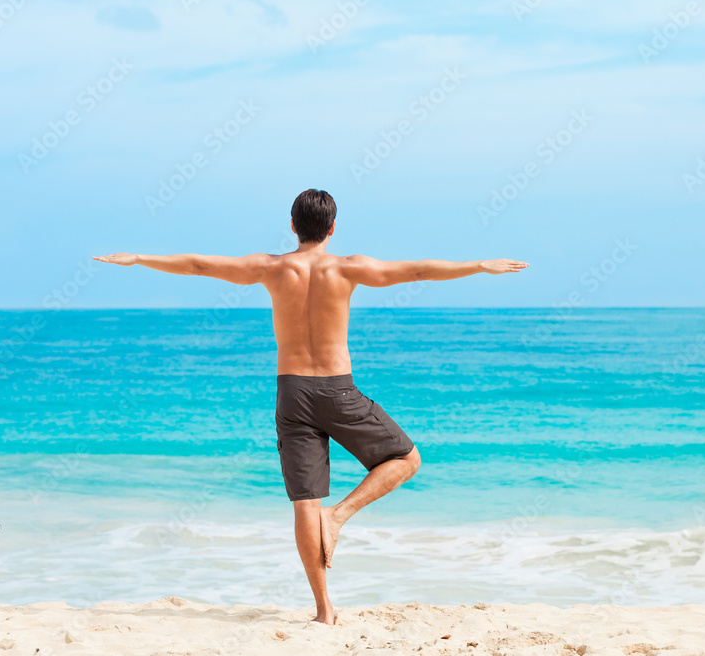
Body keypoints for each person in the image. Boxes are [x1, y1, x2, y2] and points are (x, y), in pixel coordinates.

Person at [94, 189, 529, 624]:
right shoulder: (347, 269)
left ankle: (324, 611)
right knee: (407, 458)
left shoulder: (270, 268)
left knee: (305, 502)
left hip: (292, 392)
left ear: (292, 225)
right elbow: (416, 271)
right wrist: (478, 266)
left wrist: (137, 258)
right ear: (333, 228)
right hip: (339, 390)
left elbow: (197, 265)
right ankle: (339, 516)